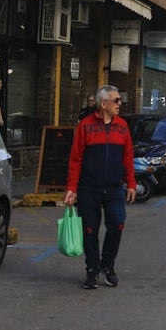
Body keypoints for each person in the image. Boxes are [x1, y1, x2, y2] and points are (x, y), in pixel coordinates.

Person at [64, 85, 137, 289]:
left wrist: (131, 183)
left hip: (114, 188)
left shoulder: (122, 126)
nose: (120, 104)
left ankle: (108, 265)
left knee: (117, 224)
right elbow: (75, 159)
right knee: (90, 230)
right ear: (103, 104)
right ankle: (92, 270)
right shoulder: (85, 126)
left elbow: (128, 157)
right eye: (116, 101)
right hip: (89, 188)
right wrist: (72, 188)